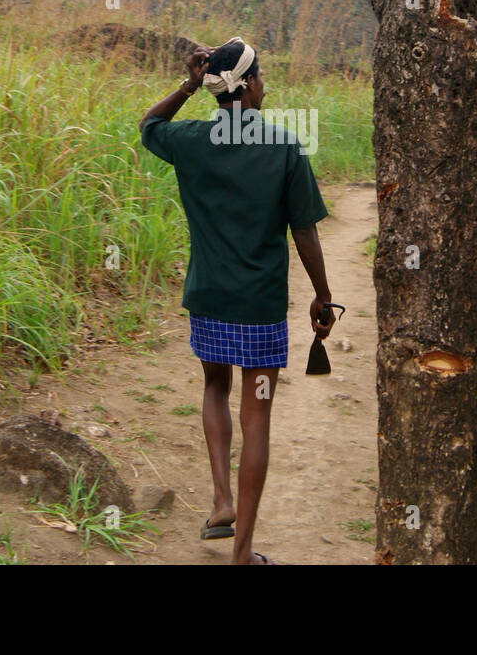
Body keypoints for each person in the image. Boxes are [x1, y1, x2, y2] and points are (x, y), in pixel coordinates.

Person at [138, 37, 336, 565]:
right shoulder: (285, 147)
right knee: (258, 419)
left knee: (213, 384)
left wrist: (187, 83)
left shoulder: (189, 140)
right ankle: (243, 554)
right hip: (260, 307)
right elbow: (305, 233)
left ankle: (221, 500)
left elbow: (148, 127)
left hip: (208, 296)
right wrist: (322, 293)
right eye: (262, 76)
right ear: (247, 85)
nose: (265, 86)